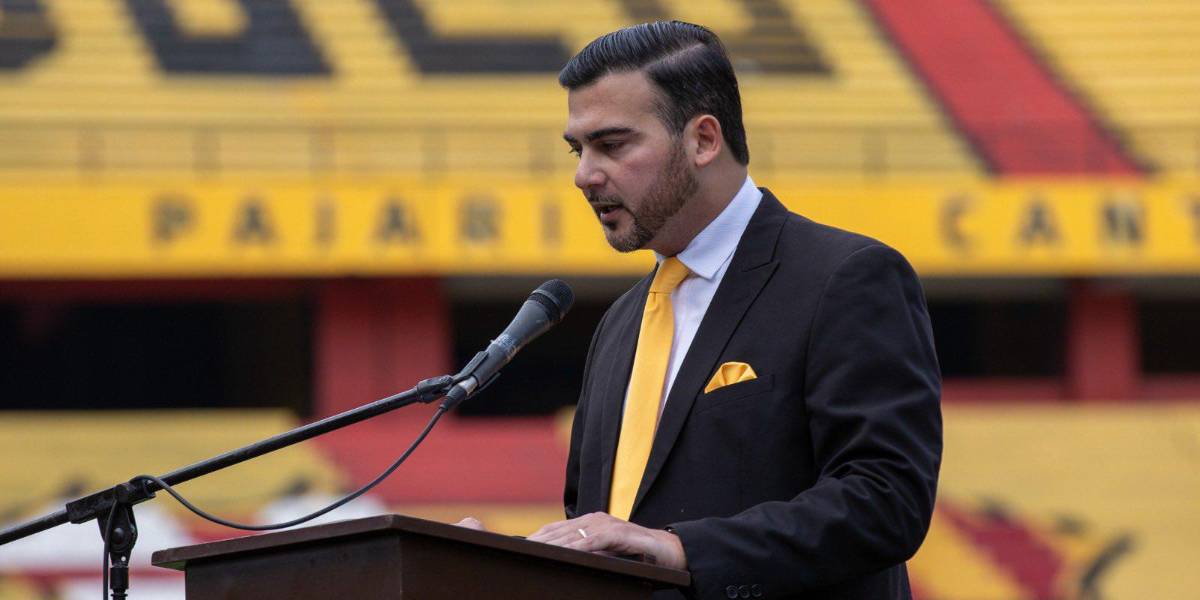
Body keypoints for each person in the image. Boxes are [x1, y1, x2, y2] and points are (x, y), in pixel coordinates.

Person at [466, 21, 942, 599]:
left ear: (703, 140)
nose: (584, 175)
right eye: (578, 149)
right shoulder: (620, 323)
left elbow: (886, 500)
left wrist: (683, 549)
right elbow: (606, 541)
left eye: (611, 145)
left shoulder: (845, 278)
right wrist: (502, 565)